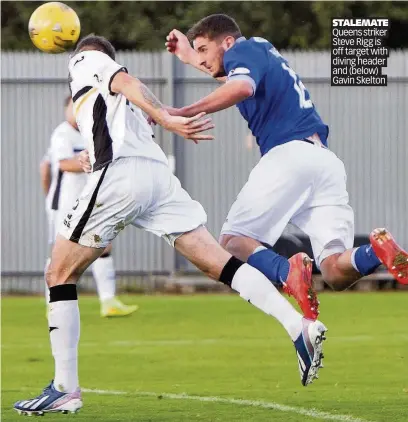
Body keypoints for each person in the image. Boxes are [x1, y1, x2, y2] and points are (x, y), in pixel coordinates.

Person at [13, 35, 328, 416]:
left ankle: (64, 388)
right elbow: (131, 103)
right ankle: (298, 326)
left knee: (57, 273)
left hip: (119, 176)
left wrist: (165, 117)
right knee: (221, 264)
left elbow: (127, 83)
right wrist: (158, 116)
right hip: (157, 179)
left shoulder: (85, 61)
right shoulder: (117, 102)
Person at [162, 14, 408, 314]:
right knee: (333, 270)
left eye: (203, 49)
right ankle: (378, 252)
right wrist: (189, 56)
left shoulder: (243, 49)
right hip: (323, 162)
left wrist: (182, 112)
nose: (202, 58)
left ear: (227, 42)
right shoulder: (260, 53)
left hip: (288, 156)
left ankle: (285, 272)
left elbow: (240, 87)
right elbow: (229, 78)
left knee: (233, 241)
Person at [40, 96, 138, 317]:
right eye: (72, 108)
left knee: (103, 246)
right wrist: (50, 197)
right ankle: (53, 304)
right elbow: (63, 164)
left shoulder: (93, 132)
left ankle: (108, 302)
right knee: (59, 253)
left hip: (90, 201)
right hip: (65, 204)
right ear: (66, 110)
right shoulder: (62, 133)